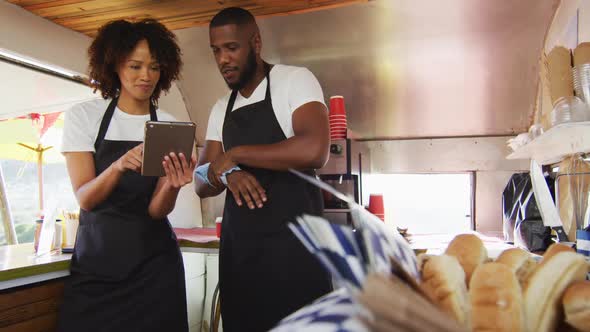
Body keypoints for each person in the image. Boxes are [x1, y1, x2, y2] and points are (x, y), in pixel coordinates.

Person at [195, 7, 333, 331]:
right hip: (242, 259)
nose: (223, 60)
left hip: (296, 258)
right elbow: (201, 180)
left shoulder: (295, 81)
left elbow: (315, 149)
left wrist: (236, 154)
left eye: (232, 47)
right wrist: (228, 173)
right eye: (216, 50)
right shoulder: (221, 108)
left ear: (255, 43)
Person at [58, 19, 194, 332]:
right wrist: (118, 166)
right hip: (96, 267)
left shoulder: (170, 125)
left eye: (154, 67)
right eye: (135, 66)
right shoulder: (84, 117)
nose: (146, 76)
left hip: (154, 267)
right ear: (114, 65)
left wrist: (172, 186)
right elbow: (86, 199)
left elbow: (156, 210)